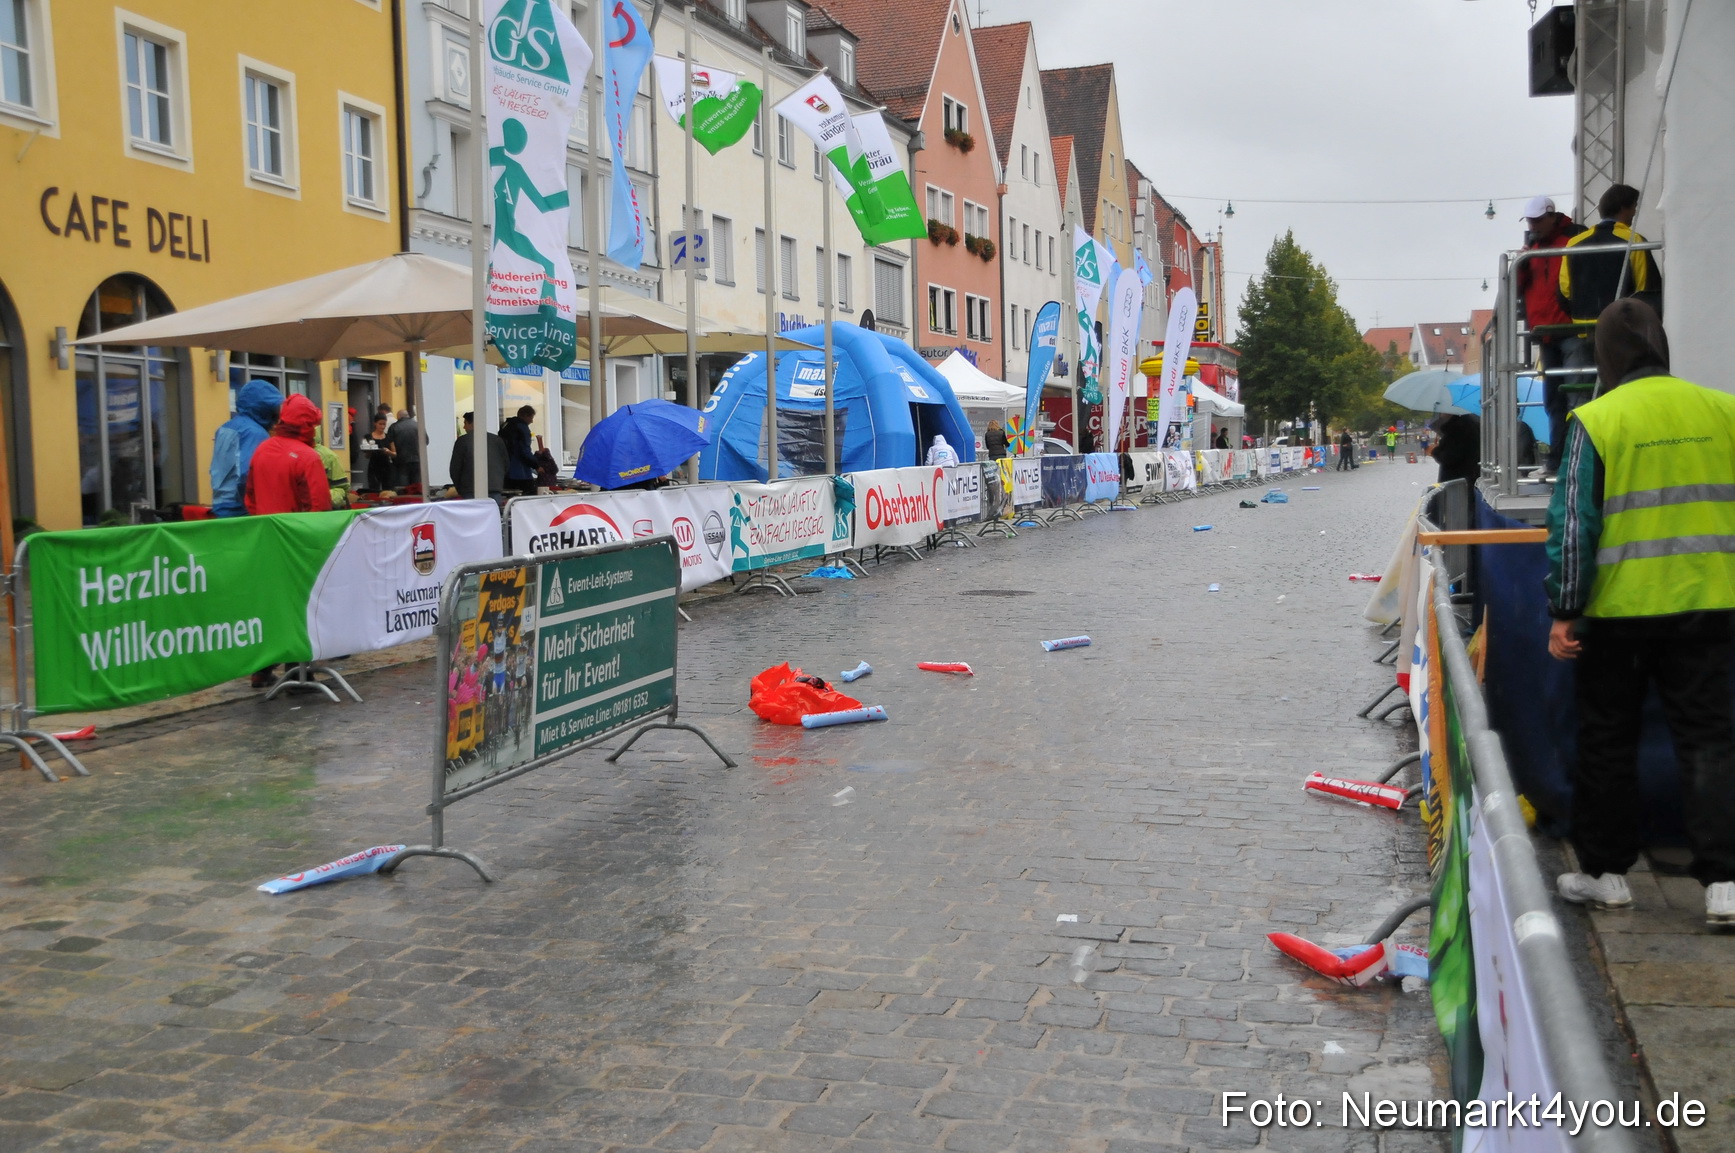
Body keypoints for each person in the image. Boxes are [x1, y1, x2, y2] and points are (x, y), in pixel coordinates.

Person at [1544, 299, 1735, 928]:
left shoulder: (1596, 419)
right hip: (1710, 602)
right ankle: (1724, 883)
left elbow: (1574, 523)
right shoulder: (1722, 409)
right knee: (1710, 741)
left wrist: (1565, 609)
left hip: (1621, 612)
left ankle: (1608, 875)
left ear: (1604, 356)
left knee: (1607, 742)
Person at [1516, 195, 1587, 478]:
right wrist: (1521, 263)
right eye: (1529, 221)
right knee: (1554, 402)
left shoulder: (1574, 239)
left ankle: (1577, 461)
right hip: (1545, 334)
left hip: (1571, 330)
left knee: (1576, 399)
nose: (1533, 226)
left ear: (1551, 216)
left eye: (1536, 220)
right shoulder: (1532, 247)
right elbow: (1520, 288)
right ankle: (1557, 461)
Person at [209, 380, 282, 517]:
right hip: (240, 507)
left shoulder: (225, 427)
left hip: (220, 502)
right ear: (265, 408)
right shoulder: (255, 432)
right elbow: (247, 473)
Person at [449, 411, 507, 500]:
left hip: (470, 489)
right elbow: (506, 463)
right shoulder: (497, 440)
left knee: (473, 513)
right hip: (495, 487)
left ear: (472, 423)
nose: (464, 427)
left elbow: (455, 468)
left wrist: (460, 488)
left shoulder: (462, 441)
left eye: (465, 423)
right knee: (493, 513)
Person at [1428, 413, 1480, 486]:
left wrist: (1435, 451)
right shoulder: (1469, 424)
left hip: (1456, 482)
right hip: (1469, 478)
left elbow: (1449, 457)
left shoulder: (1457, 429)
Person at [500, 405, 540, 497]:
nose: (532, 421)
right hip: (521, 473)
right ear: (525, 415)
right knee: (527, 498)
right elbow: (524, 450)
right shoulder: (522, 428)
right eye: (531, 417)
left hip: (506, 471)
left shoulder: (505, 426)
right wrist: (536, 465)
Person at [386, 406, 421, 489]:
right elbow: (425, 441)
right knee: (416, 485)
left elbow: (391, 444)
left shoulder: (394, 427)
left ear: (398, 417)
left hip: (401, 460)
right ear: (408, 415)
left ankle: (405, 500)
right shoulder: (418, 425)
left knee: (403, 486)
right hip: (417, 459)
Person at [360, 415, 395, 492]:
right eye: (380, 424)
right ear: (375, 424)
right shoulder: (368, 437)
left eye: (384, 424)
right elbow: (366, 456)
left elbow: (395, 453)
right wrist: (369, 451)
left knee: (388, 489)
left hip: (387, 465)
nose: (382, 426)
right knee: (374, 489)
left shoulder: (388, 436)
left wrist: (388, 452)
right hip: (374, 466)